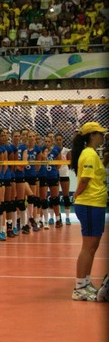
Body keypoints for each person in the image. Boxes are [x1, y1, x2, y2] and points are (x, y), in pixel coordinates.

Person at [70, 122, 107, 301]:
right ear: (91, 135)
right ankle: (79, 287)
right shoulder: (89, 154)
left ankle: (85, 282)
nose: (102, 136)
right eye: (99, 133)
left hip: (96, 204)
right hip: (90, 204)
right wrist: (76, 195)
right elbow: (85, 180)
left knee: (93, 246)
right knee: (88, 246)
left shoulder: (92, 154)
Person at [45, 135, 64, 227]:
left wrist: (53, 172)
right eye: (46, 142)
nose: (47, 143)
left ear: (52, 142)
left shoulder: (56, 150)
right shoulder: (41, 151)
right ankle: (44, 220)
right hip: (44, 177)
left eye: (49, 142)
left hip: (53, 176)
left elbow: (59, 165)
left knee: (55, 198)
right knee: (43, 199)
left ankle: (58, 219)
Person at [55, 133, 72, 224]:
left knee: (66, 196)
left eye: (60, 139)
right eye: (56, 139)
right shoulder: (53, 150)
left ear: (62, 140)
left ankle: (68, 217)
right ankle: (57, 216)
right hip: (55, 175)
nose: (58, 141)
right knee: (55, 197)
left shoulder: (67, 151)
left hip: (64, 174)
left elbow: (70, 164)